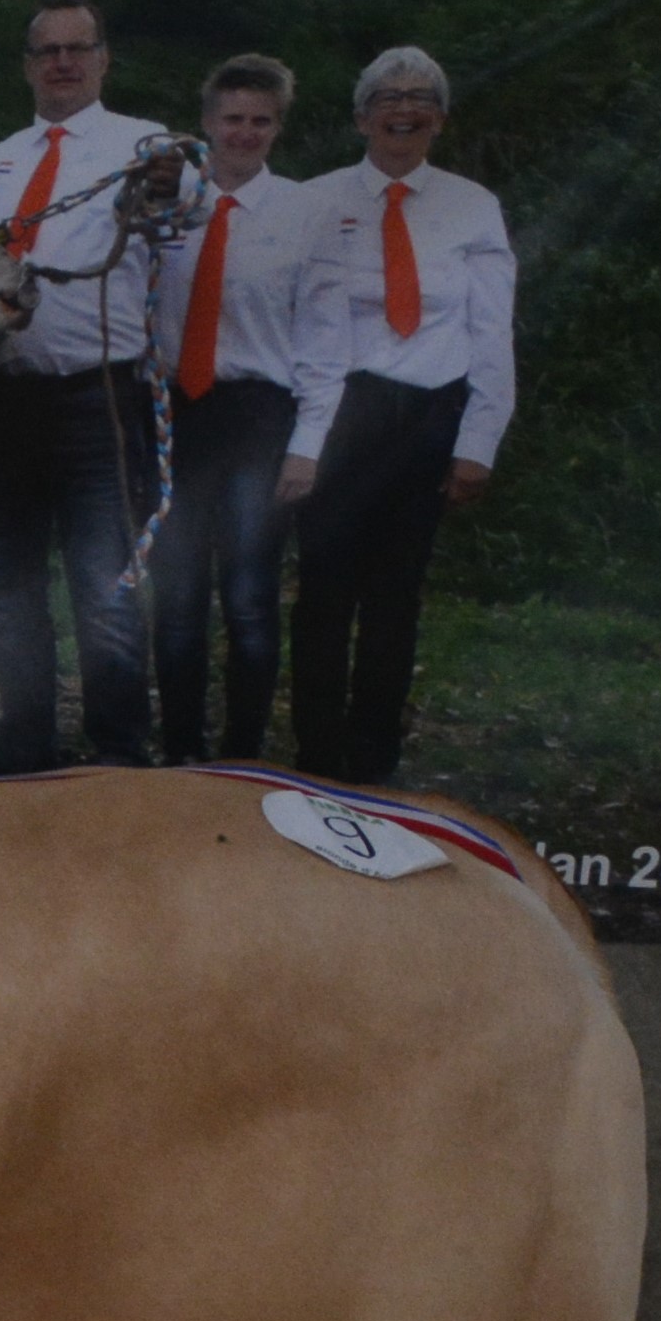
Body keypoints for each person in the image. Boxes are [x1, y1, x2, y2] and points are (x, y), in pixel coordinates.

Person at [281, 45, 513, 786]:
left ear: (439, 119)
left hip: (427, 416)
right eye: (386, 96)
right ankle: (314, 759)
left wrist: (478, 439)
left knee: (393, 596)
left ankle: (372, 762)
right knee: (321, 591)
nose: (402, 109)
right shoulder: (312, 200)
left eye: (419, 98)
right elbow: (297, 327)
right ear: (359, 117)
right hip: (339, 410)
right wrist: (305, 442)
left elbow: (491, 330)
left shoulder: (473, 206)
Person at [0, 0, 173, 772]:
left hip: (101, 399)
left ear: (102, 59)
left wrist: (163, 184)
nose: (62, 62)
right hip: (5, 394)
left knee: (105, 584)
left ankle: (116, 756)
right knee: (7, 585)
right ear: (27, 65)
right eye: (46, 50)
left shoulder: (145, 146)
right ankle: (24, 747)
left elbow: (181, 204)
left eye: (76, 48)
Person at [145, 56, 320, 764]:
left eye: (259, 120)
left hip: (258, 415)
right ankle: (181, 752)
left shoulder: (304, 212)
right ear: (207, 123)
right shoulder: (164, 203)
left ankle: (241, 754)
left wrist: (308, 441)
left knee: (248, 597)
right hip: (176, 413)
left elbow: (322, 337)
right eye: (231, 119)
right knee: (177, 597)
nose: (243, 133)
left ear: (277, 126)